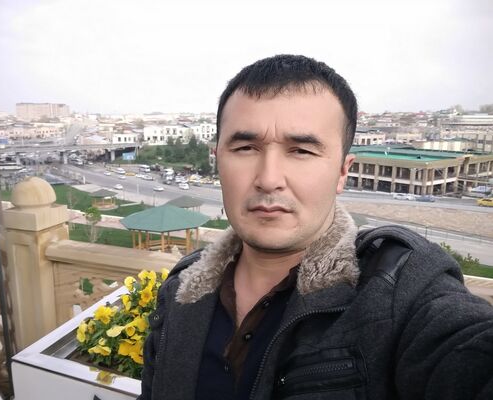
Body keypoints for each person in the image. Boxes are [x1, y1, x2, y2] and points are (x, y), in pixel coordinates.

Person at [140, 55, 493, 400]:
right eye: (246, 147)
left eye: (301, 151)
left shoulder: (396, 289)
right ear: (217, 159)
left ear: (342, 172)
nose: (269, 179)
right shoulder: (182, 288)